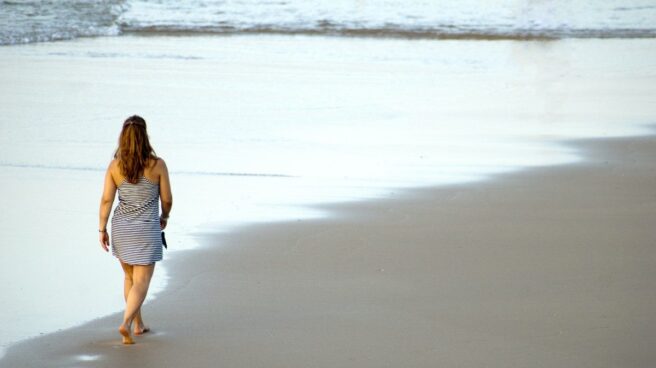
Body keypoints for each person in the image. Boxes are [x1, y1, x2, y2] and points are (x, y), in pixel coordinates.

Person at [98, 115, 172, 345]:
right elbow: (167, 199)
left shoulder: (115, 166)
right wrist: (165, 215)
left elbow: (106, 201)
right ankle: (127, 323)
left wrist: (102, 229)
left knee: (130, 276)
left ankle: (138, 325)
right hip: (146, 229)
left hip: (121, 228)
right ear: (144, 136)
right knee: (141, 281)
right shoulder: (157, 165)